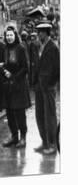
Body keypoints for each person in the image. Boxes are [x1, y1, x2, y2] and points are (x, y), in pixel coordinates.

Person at [30, 22, 60, 155]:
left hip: (48, 87)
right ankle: (44, 142)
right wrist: (35, 82)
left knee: (50, 116)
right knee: (40, 115)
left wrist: (51, 83)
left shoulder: (53, 47)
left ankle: (53, 144)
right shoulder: (38, 46)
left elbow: (58, 68)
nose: (39, 34)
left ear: (47, 33)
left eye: (41, 32)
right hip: (39, 86)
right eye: (38, 32)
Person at [0, 26, 31, 148]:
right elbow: (6, 64)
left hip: (19, 85)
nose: (9, 37)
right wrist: (3, 67)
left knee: (19, 113)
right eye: (7, 35)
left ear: (15, 36)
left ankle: (23, 138)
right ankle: (14, 137)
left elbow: (25, 68)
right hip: (8, 87)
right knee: (10, 112)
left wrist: (13, 76)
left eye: (11, 35)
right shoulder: (5, 49)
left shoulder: (21, 48)